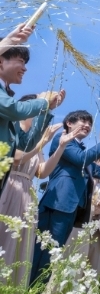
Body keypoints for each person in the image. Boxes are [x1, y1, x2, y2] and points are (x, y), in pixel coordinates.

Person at [30, 111, 100, 285]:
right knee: (43, 254)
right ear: (69, 123)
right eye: (83, 121)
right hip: (57, 204)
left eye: (90, 123)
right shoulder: (63, 140)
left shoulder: (81, 151)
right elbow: (82, 159)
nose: (87, 125)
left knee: (53, 256)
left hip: (72, 210)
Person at [0, 99, 79, 286]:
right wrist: (43, 141)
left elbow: (42, 172)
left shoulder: (36, 140)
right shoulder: (12, 129)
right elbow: (16, 158)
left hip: (27, 194)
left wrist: (60, 146)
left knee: (20, 246)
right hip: (9, 187)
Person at [0, 34, 64, 195]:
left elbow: (26, 143)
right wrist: (43, 102)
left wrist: (46, 109)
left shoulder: (7, 99)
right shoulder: (10, 105)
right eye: (21, 61)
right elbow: (15, 109)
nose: (25, 68)